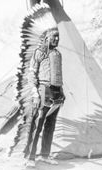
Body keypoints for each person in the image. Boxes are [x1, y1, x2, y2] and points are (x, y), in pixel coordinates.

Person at [25, 27, 65, 168]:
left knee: (50, 124)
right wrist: (35, 93)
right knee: (38, 124)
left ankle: (45, 155)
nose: (56, 39)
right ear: (47, 37)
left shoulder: (58, 54)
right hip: (44, 90)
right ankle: (30, 157)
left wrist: (61, 91)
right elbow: (32, 74)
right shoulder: (39, 52)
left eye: (58, 37)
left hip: (57, 92)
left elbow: (58, 75)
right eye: (54, 36)